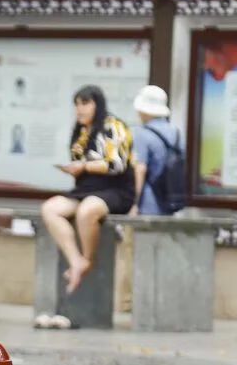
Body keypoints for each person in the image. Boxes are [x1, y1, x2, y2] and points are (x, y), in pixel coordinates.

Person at [40, 84, 134, 295]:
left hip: (115, 189)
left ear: (97, 104)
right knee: (50, 209)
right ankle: (75, 260)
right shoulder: (81, 130)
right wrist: (74, 169)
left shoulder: (114, 126)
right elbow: (80, 162)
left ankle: (88, 260)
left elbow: (116, 164)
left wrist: (83, 166)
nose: (79, 109)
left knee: (87, 211)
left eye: (85, 103)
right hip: (86, 189)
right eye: (76, 104)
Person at [131, 85, 184, 215]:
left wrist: (134, 203)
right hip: (171, 199)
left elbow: (140, 169)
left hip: (149, 201)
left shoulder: (140, 133)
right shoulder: (176, 132)